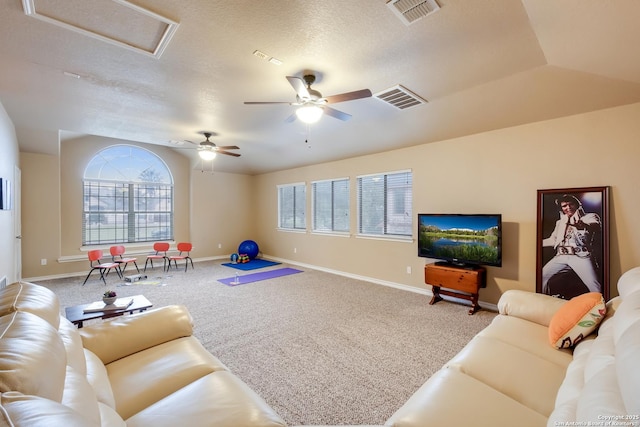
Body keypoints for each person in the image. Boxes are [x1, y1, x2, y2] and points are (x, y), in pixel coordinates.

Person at [541, 194, 602, 295]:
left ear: (577, 205)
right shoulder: (560, 222)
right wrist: (536, 243)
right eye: (564, 206)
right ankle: (544, 301)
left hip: (581, 256)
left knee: (594, 284)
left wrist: (583, 225)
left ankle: (600, 307)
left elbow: (595, 226)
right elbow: (553, 240)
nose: (568, 208)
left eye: (571, 204)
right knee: (542, 276)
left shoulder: (589, 216)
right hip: (561, 256)